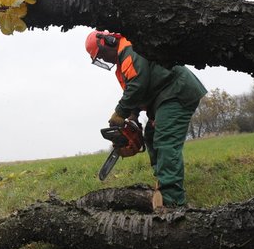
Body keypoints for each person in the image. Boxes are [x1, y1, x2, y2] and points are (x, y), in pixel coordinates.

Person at [85, 30, 207, 210]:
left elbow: (138, 85)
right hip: (163, 98)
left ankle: (172, 201)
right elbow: (137, 90)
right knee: (150, 135)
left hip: (176, 91)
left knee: (165, 141)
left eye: (103, 54)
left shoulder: (130, 49)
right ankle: (163, 181)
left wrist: (120, 113)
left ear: (108, 42)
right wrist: (133, 117)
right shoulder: (124, 60)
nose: (106, 60)